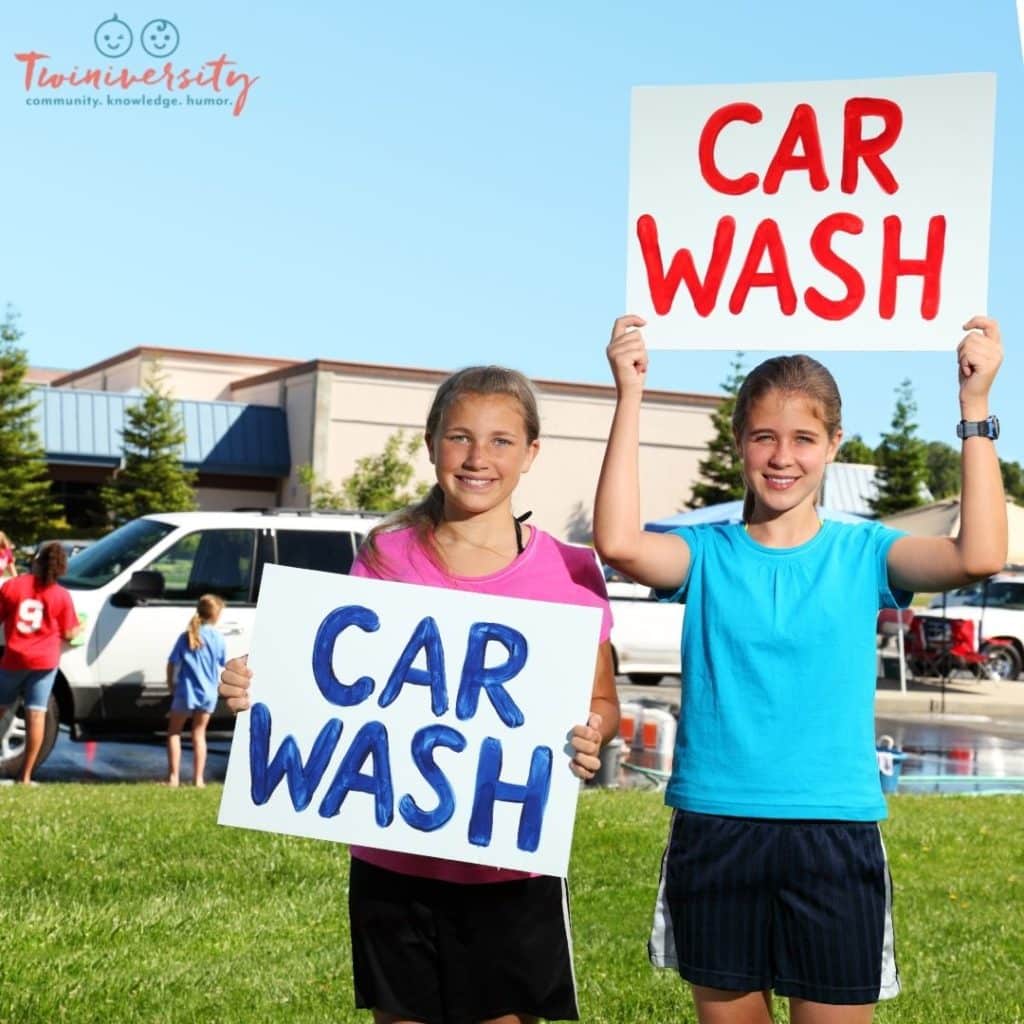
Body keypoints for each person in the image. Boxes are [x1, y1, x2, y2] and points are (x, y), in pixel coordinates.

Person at [594, 314, 1007, 1024]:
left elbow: (979, 556)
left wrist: (975, 408)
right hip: (716, 826)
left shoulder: (867, 552)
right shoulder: (706, 554)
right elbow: (619, 543)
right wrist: (630, 394)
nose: (782, 456)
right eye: (764, 436)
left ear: (834, 445)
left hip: (833, 832)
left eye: (804, 439)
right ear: (739, 443)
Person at [220, 364, 620, 1024]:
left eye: (500, 441)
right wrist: (255, 687)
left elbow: (603, 701)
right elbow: (327, 686)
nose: (478, 457)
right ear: (431, 443)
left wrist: (593, 731)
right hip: (393, 861)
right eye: (460, 437)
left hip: (508, 868)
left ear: (531, 453)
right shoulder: (385, 556)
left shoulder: (569, 571)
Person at [0, 541, 81, 783]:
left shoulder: (13, 586)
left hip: (14, 658)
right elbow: (70, 632)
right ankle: (25, 776)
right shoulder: (61, 595)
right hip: (45, 662)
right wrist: (80, 628)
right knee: (36, 715)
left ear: (36, 561)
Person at [166, 593, 227, 788]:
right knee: (199, 734)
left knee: (174, 732)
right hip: (209, 692)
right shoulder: (218, 638)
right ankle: (198, 779)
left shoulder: (186, 636)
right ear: (216, 615)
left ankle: (174, 778)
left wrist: (171, 684)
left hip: (186, 691)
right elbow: (223, 662)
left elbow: (172, 662)